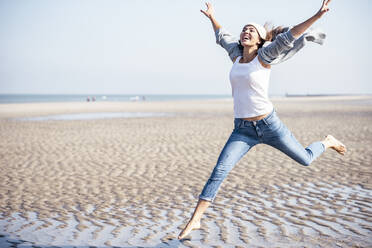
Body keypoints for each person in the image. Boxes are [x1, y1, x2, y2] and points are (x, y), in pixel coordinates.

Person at [178, 0, 346, 240]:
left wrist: (317, 16)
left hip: (270, 126)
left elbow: (289, 36)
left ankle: (327, 142)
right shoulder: (236, 55)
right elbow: (221, 36)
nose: (246, 31)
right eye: (244, 28)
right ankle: (195, 220)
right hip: (242, 130)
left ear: (259, 40)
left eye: (252, 30)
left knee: (306, 159)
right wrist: (212, 16)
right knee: (220, 170)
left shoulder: (265, 55)